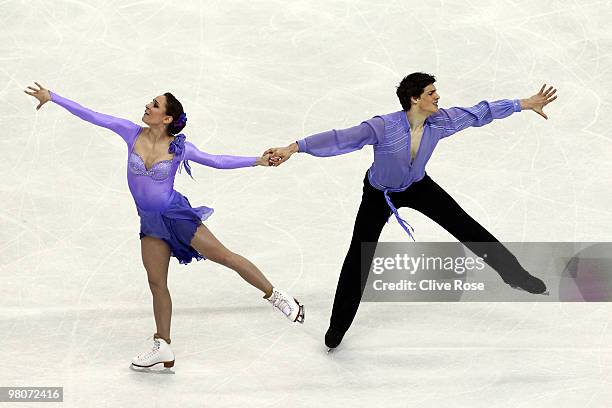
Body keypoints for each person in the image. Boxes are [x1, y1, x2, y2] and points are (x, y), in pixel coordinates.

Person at [265, 72, 557, 350]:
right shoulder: (382, 126)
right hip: (379, 194)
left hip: (419, 187)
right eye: (431, 93)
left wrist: (524, 104)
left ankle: (516, 276)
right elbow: (340, 138)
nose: (438, 97)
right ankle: (337, 327)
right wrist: (294, 148)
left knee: (468, 228)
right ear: (415, 99)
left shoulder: (440, 121)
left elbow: (480, 112)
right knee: (358, 257)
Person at [24, 82, 305, 369]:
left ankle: (278, 297)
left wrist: (257, 160)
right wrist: (54, 97)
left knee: (225, 257)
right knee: (157, 283)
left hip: (176, 216)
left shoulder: (178, 148)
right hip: (150, 221)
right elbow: (94, 115)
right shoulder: (131, 132)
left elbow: (217, 160)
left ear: (167, 118)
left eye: (155, 105)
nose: (148, 106)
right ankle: (163, 345)